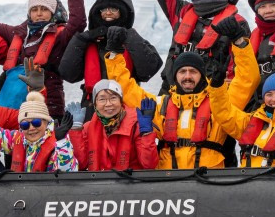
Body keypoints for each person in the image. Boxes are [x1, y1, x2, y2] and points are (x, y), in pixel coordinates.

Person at [103, 23, 260, 170]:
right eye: (182, 72)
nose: (187, 76)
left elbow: (248, 79)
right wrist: (114, 55)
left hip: (208, 180)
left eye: (193, 72)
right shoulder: (161, 105)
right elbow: (127, 90)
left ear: (202, 75)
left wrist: (240, 42)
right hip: (169, 182)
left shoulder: (219, 101)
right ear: (176, 75)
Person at [0, 0, 87, 118]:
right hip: (15, 103)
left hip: (48, 104)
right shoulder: (19, 33)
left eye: (44, 9)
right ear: (29, 13)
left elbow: (78, 22)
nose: (39, 13)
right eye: (35, 9)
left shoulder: (60, 36)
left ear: (52, 13)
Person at [58, 0, 163, 119]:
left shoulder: (131, 39)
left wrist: (128, 36)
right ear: (98, 13)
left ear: (122, 12)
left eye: (114, 9)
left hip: (126, 107)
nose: (108, 12)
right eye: (104, 9)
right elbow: (68, 74)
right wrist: (81, 39)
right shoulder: (88, 41)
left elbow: (149, 70)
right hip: (93, 109)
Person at [0, 86, 78, 173]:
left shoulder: (59, 144)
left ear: (46, 122)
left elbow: (68, 172)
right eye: (25, 124)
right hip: (20, 193)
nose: (31, 128)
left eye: (36, 122)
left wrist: (62, 142)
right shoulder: (16, 139)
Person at [68, 80, 159, 171]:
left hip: (129, 182)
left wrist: (147, 133)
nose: (108, 104)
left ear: (121, 101)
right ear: (95, 104)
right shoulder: (88, 128)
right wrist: (76, 130)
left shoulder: (136, 125)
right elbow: (81, 164)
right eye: (102, 99)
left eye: (113, 98)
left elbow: (149, 165)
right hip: (98, 183)